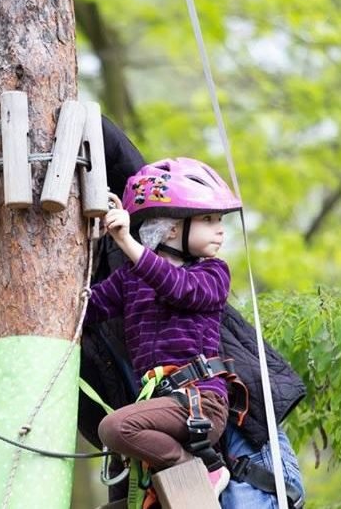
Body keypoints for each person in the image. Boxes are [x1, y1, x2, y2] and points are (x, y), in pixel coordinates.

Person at [0, 117, 305, 507]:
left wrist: (125, 239)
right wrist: (9, 255)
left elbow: (89, 128)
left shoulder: (180, 264)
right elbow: (73, 309)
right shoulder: (88, 298)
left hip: (233, 451)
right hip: (155, 466)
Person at [85, 157, 242, 499]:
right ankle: (188, 477)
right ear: (172, 227)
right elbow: (85, 309)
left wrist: (127, 243)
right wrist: (3, 281)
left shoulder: (213, 273)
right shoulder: (130, 279)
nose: (220, 229)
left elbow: (178, 288)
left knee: (115, 428)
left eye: (219, 220)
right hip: (162, 407)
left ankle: (201, 469)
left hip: (200, 403)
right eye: (208, 219)